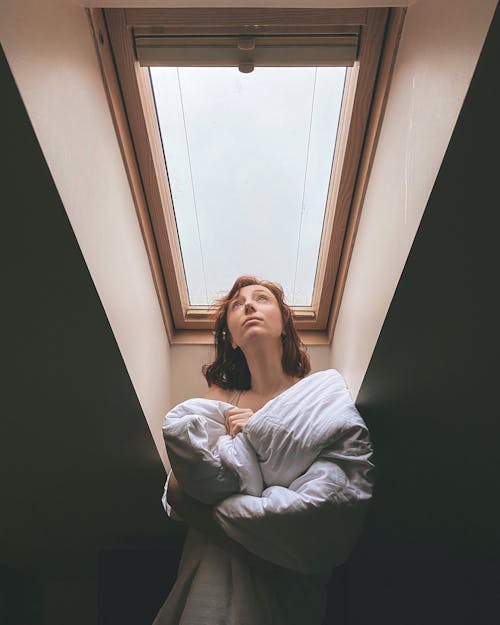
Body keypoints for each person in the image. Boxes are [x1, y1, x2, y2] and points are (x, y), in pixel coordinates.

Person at [152, 276, 375, 625]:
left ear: (284, 324)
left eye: (261, 299)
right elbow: (181, 490)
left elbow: (330, 490)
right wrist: (253, 552)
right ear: (233, 338)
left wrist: (256, 432)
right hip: (217, 565)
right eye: (238, 305)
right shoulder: (222, 399)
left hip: (288, 577)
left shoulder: (316, 396)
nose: (249, 306)